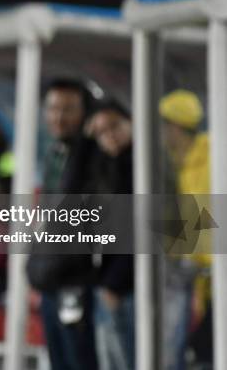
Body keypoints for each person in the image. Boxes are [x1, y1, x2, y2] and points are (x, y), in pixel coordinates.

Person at [25, 78, 99, 370]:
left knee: (79, 359)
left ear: (85, 114)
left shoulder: (90, 155)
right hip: (50, 278)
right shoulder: (55, 153)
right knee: (59, 360)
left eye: (69, 109)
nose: (59, 116)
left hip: (76, 281)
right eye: (53, 108)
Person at [158, 89, 211, 370]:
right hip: (184, 273)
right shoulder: (174, 164)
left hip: (205, 277)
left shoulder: (212, 158)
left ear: (175, 128)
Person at [85, 101, 135, 370]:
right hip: (106, 281)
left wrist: (115, 282)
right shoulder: (104, 166)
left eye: (115, 126)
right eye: (101, 131)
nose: (110, 135)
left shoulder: (139, 166)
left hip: (126, 286)